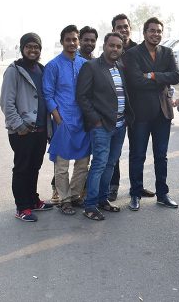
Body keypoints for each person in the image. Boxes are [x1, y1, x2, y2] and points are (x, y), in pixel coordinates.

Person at [123, 17, 179, 211]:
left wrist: (153, 75)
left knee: (161, 156)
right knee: (137, 155)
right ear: (144, 32)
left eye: (159, 31)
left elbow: (176, 76)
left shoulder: (167, 52)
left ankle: (163, 194)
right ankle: (135, 193)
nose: (156, 34)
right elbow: (136, 81)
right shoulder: (132, 54)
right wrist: (161, 80)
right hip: (140, 113)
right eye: (152, 30)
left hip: (163, 112)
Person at [76, 32, 134, 221]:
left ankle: (102, 199)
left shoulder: (120, 67)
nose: (115, 49)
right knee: (99, 163)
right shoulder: (91, 66)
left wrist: (125, 118)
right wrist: (96, 120)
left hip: (120, 125)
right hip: (101, 125)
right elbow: (82, 96)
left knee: (111, 163)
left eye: (118, 46)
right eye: (112, 45)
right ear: (104, 46)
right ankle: (90, 205)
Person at [0, 32, 54, 221]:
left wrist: (48, 128)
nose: (33, 50)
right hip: (23, 131)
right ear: (22, 48)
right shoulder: (14, 71)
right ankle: (22, 207)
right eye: (29, 46)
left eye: (36, 47)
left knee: (34, 167)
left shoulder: (41, 69)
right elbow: (6, 103)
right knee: (22, 169)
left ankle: (33, 200)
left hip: (40, 130)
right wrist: (19, 126)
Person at [43, 25, 91, 216]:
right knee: (62, 165)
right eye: (68, 39)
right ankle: (64, 199)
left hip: (82, 120)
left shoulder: (84, 64)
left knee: (83, 162)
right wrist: (58, 118)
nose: (72, 43)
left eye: (74, 39)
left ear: (78, 41)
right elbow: (48, 94)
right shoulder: (53, 65)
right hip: (62, 121)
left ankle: (74, 194)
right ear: (62, 41)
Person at [107, 13, 137, 202]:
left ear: (130, 28)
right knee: (114, 152)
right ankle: (113, 186)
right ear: (113, 30)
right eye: (119, 27)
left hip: (136, 109)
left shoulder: (138, 50)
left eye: (126, 26)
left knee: (136, 150)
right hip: (114, 110)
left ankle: (136, 187)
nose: (123, 30)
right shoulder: (110, 51)